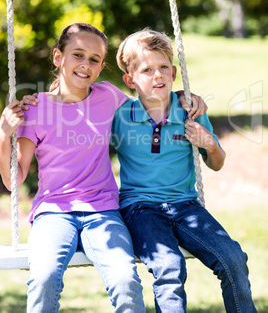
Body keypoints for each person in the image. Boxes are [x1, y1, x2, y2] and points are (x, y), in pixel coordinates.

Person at [0, 23, 205, 312]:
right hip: (54, 214)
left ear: (101, 67)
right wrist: (3, 135)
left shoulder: (108, 96)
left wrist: (185, 97)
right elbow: (14, 180)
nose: (85, 64)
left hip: (103, 211)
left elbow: (151, 103)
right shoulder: (35, 109)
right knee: (44, 278)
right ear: (58, 57)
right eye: (78, 55)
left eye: (94, 59)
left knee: (125, 280)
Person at [111, 29, 257, 313]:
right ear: (130, 80)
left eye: (164, 67)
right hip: (140, 208)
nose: (158, 76)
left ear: (175, 72)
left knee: (234, 258)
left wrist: (209, 144)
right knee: (169, 266)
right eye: (147, 70)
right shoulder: (120, 116)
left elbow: (216, 163)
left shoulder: (189, 110)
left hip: (186, 206)